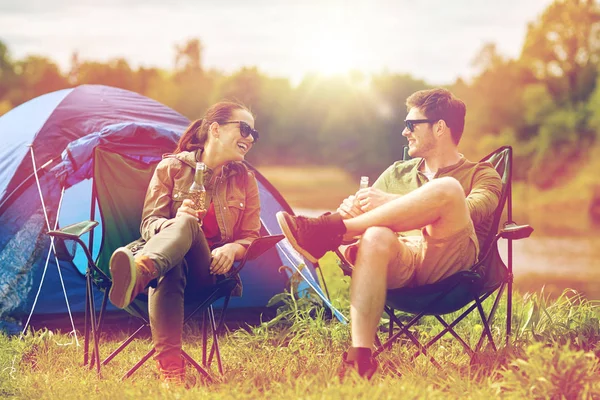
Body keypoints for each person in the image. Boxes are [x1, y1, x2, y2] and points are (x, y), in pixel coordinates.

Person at [276, 88, 502, 379]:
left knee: (448, 190)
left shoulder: (481, 174)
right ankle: (360, 359)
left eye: (411, 125)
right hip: (399, 263)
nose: (404, 132)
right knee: (374, 236)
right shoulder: (396, 173)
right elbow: (366, 220)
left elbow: (472, 210)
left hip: (450, 267)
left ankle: (329, 230)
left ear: (440, 127)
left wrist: (389, 203)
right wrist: (352, 211)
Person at [108, 101, 261, 384]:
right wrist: (174, 222)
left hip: (208, 273)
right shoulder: (172, 168)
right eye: (244, 128)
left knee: (188, 224)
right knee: (175, 256)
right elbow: (149, 224)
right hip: (171, 269)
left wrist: (232, 248)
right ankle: (171, 372)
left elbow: (252, 237)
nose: (250, 137)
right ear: (215, 129)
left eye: (254, 133)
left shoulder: (245, 180)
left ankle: (142, 271)